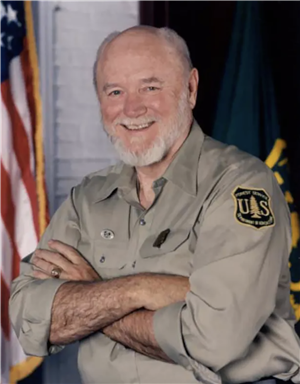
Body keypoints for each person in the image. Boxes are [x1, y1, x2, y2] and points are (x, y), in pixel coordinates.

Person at [9, 26, 300, 384]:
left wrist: (93, 289)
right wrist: (143, 290)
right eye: (115, 91)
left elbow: (212, 339)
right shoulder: (88, 199)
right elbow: (28, 318)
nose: (132, 108)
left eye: (150, 87)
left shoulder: (240, 185)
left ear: (190, 89)